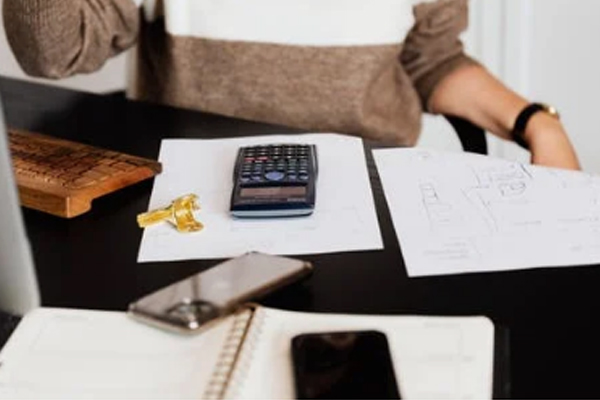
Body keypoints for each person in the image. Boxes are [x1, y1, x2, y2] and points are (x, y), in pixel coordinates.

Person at [3, 0, 580, 170]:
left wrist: (538, 123)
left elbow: (430, 58)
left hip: (371, 187)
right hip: (188, 193)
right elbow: (56, 51)